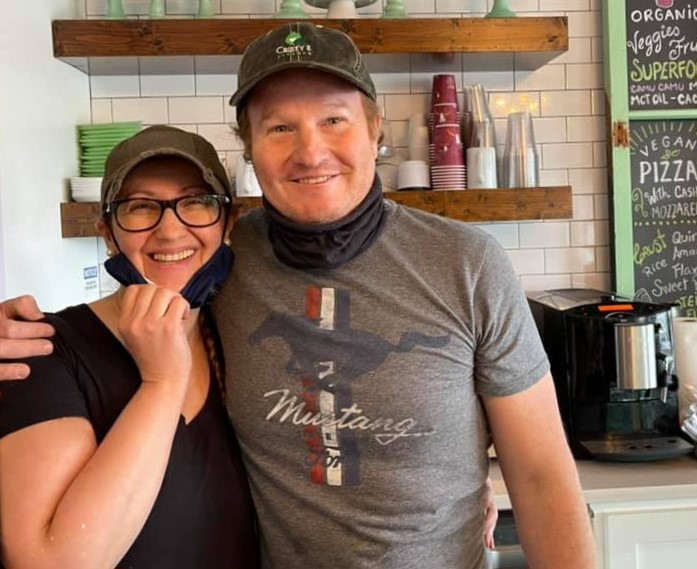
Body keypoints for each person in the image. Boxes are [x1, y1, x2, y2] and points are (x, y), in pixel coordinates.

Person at [0, 22, 595, 569]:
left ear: (375, 127)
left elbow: (541, 476)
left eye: (333, 119)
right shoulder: (225, 263)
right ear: (249, 147)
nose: (310, 151)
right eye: (280, 126)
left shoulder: (468, 262)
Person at [0, 126, 260, 569]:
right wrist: (162, 381)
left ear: (228, 222)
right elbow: (53, 561)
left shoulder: (240, 339)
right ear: (107, 232)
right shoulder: (39, 350)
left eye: (196, 201)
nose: (171, 228)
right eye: (140, 207)